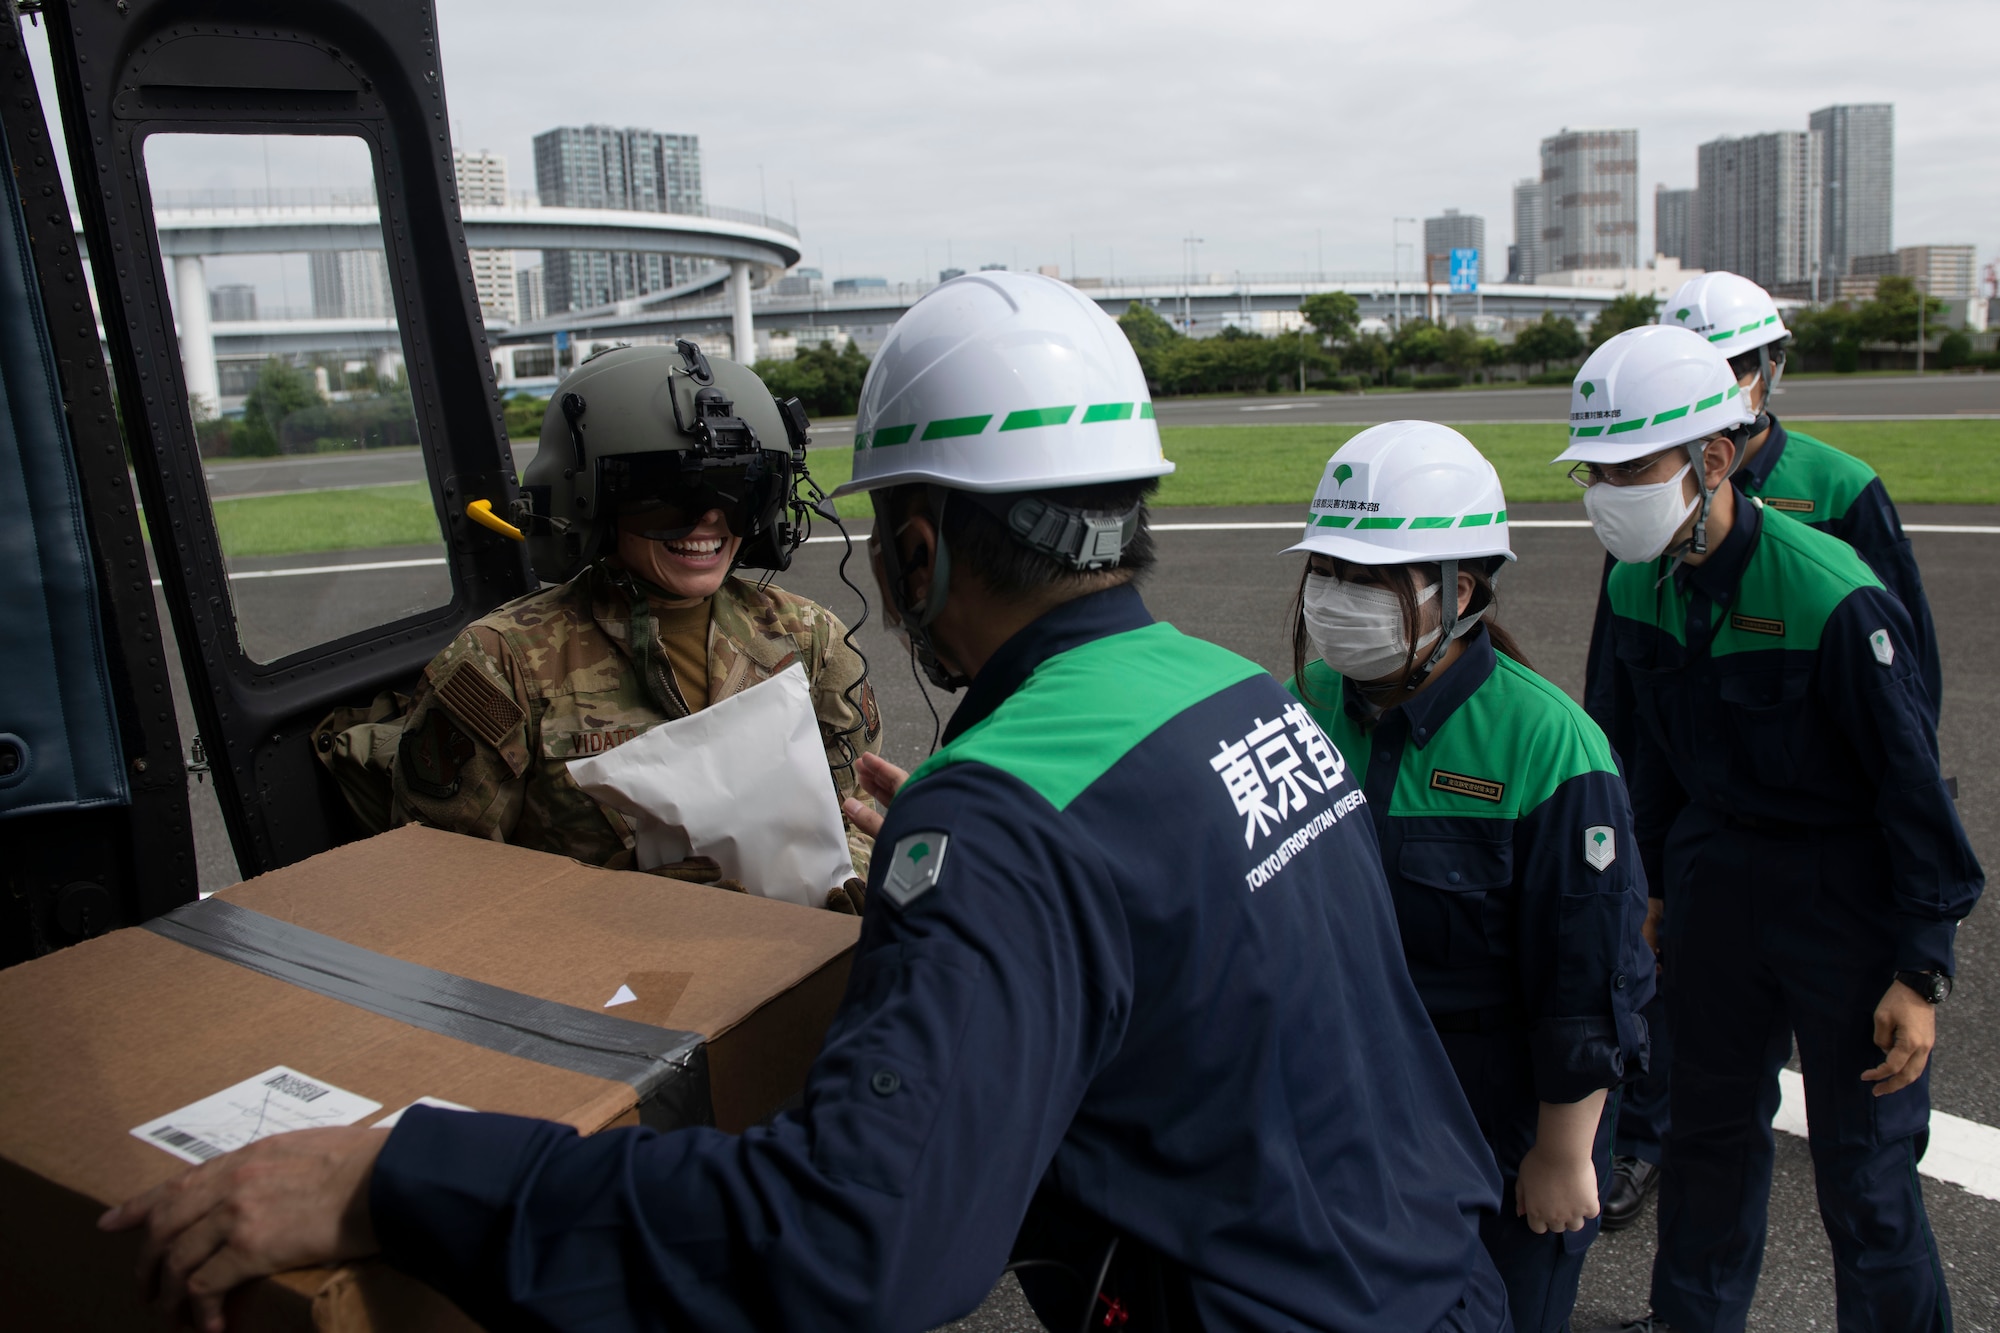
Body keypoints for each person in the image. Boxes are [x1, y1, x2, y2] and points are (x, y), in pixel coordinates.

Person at [103, 272, 1512, 1333]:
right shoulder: (1244, 702)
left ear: (913, 545)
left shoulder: (998, 812)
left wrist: (408, 1175)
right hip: (1433, 1277)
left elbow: (862, 1243)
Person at [1560, 325, 1982, 1332]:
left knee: (1863, 1175)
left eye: (1629, 466)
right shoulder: (1633, 582)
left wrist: (1918, 972)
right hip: (1714, 884)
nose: (1604, 490)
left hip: (1842, 892)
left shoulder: (1829, 595)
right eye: (1593, 469)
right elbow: (1640, 764)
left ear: (1711, 457)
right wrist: (1649, 891)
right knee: (1705, 1138)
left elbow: (1910, 791)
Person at [1283, 421, 1652, 1332]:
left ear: (1465, 587)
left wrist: (1564, 1151)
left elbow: (1588, 973)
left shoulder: (1548, 746)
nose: (1337, 599)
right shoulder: (1314, 699)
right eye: (1328, 571)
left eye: (1372, 578)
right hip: (1355, 1091)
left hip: (1499, 1112)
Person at [326, 342, 881, 900]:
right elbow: (433, 880)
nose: (709, 520)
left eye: (742, 492)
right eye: (670, 498)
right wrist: (611, 901)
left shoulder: (811, 638)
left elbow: (852, 808)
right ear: (591, 501)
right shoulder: (500, 664)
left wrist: (852, 876)